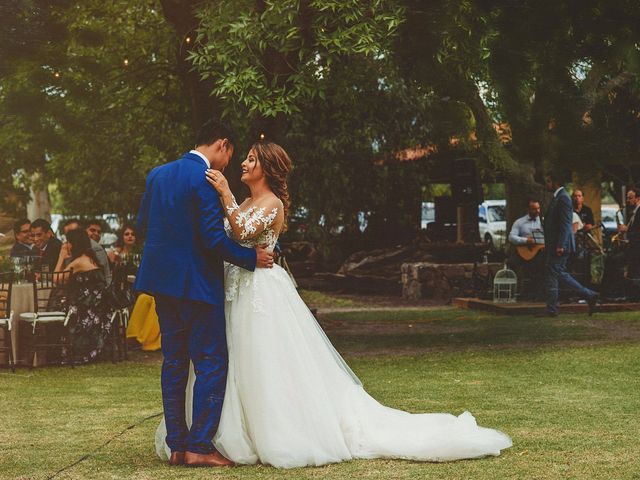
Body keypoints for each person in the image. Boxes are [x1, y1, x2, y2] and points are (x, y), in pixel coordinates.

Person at [155, 141, 512, 468]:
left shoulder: (271, 203)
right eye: (246, 158)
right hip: (235, 289)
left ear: (267, 168)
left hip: (262, 291)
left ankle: (277, 430)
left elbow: (245, 233)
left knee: (264, 358)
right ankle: (221, 433)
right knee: (233, 360)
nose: (244, 164)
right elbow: (225, 237)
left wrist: (225, 194)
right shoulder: (247, 202)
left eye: (251, 159)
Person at [135, 120, 274, 468]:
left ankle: (177, 445)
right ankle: (199, 445)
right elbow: (213, 239)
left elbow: (142, 227)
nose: (229, 163)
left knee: (174, 361)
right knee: (212, 362)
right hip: (197, 285)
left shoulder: (158, 175)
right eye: (230, 154)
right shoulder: (207, 178)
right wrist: (250, 258)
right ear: (222, 144)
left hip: (162, 285)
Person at [542, 171, 598, 316]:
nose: (546, 184)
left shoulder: (563, 198)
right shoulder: (557, 197)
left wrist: (560, 244)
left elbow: (566, 224)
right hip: (555, 244)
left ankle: (552, 309)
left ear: (555, 182)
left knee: (555, 273)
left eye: (548, 181)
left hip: (560, 245)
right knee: (556, 273)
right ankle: (588, 295)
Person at [54, 229, 113, 364]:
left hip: (88, 308)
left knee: (56, 305)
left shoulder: (79, 262)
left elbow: (56, 279)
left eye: (68, 242)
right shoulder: (92, 258)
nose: (65, 245)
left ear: (74, 244)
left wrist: (61, 256)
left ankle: (56, 351)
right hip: (100, 306)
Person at [507, 200, 544, 300]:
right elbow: (511, 237)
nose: (537, 211)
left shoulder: (543, 222)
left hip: (539, 253)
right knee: (514, 263)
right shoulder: (519, 222)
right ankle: (520, 293)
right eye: (534, 209)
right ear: (528, 209)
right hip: (523, 253)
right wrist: (525, 240)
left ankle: (537, 295)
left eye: (538, 208)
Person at [62, 219, 112, 285]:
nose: (96, 234)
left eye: (99, 232)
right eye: (92, 230)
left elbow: (104, 276)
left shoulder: (96, 248)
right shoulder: (78, 247)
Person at [617, 187, 640, 279]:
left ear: (638, 198)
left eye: (630, 198)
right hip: (634, 246)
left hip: (636, 248)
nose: (627, 200)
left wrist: (627, 230)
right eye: (627, 198)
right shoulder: (636, 211)